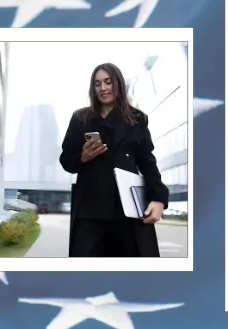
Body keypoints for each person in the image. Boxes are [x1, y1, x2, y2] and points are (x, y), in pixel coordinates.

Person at [59, 63, 170, 257]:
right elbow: (66, 160)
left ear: (118, 84)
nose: (103, 88)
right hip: (90, 209)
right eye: (97, 84)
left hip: (127, 207)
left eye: (108, 82)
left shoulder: (137, 119)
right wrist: (83, 157)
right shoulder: (80, 119)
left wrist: (159, 198)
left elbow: (147, 162)